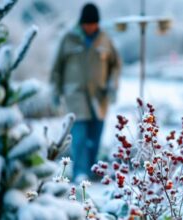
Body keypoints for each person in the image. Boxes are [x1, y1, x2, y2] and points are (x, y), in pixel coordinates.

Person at [50, 3, 120, 182]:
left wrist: (112, 86)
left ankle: (90, 170)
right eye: (87, 24)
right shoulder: (69, 39)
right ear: (81, 23)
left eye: (94, 24)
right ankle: (80, 172)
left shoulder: (105, 39)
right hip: (75, 96)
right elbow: (57, 68)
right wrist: (55, 91)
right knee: (79, 136)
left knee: (95, 137)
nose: (91, 27)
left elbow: (116, 66)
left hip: (99, 97)